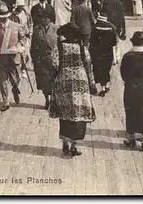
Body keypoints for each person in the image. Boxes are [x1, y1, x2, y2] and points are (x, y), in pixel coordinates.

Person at [48, 22, 96, 156]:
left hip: (64, 84)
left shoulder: (59, 48)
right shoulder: (82, 48)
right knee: (78, 115)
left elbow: (53, 64)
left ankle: (65, 142)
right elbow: (89, 67)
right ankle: (74, 145)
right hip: (80, 85)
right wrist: (92, 84)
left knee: (65, 114)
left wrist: (55, 78)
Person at [120, 31, 143, 151]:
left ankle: (131, 139)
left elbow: (123, 73)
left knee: (131, 112)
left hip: (131, 88)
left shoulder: (128, 56)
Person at [0, 5, 26, 112]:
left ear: (8, 16)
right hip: (1, 58)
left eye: (4, 17)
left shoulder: (16, 26)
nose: (2, 20)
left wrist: (18, 46)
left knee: (16, 79)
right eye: (1, 18)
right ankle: (5, 101)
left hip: (14, 57)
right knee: (3, 81)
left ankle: (15, 88)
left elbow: (23, 38)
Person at [30, 12, 58, 109]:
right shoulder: (37, 29)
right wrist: (33, 58)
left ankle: (54, 99)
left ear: (50, 19)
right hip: (41, 59)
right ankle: (47, 99)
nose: (44, 19)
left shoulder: (56, 28)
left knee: (54, 80)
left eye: (46, 17)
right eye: (43, 17)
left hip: (53, 59)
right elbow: (33, 45)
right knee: (44, 81)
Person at [89, 13, 117, 97]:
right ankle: (106, 85)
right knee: (106, 69)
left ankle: (101, 87)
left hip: (97, 53)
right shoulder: (111, 28)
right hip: (108, 53)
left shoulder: (94, 28)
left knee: (97, 69)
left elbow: (91, 41)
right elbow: (114, 42)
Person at [101, 0, 126, 65]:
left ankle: (113, 59)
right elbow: (122, 17)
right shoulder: (120, 3)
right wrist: (124, 28)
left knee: (109, 42)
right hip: (118, 25)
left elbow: (102, 15)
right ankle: (118, 58)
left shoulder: (106, 3)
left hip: (108, 25)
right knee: (117, 41)